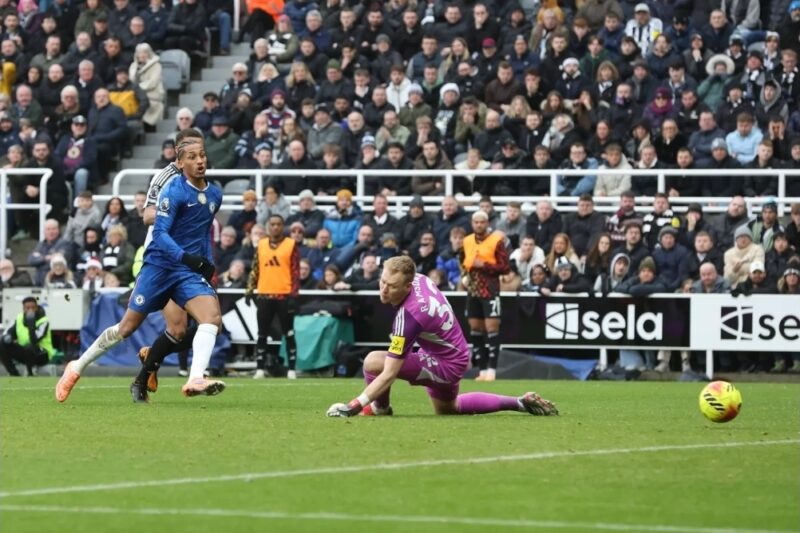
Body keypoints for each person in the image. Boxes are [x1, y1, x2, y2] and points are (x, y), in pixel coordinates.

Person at [56, 135, 225, 403]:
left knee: (210, 320)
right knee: (127, 328)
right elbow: (150, 219)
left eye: (202, 153)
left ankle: (193, 377)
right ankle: (77, 367)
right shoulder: (168, 182)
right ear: (179, 158)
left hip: (186, 267)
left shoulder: (214, 193)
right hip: (159, 262)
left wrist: (205, 261)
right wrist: (178, 232)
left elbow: (202, 229)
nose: (199, 160)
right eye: (192, 155)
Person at [326, 256, 558, 417]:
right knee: (448, 409)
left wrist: (354, 405)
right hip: (451, 353)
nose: (383, 289)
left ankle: (379, 410)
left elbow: (389, 374)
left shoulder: (410, 316)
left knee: (373, 362)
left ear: (407, 286)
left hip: (446, 363)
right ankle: (519, 402)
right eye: (382, 281)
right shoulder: (420, 279)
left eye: (391, 286)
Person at [246, 214, 300, 380]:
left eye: (278, 224)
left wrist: (294, 294)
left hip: (284, 295)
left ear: (283, 226)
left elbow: (295, 272)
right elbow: (255, 268)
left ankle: (291, 368)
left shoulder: (291, 245)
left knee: (288, 332)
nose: (275, 227)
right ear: (268, 226)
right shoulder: (261, 245)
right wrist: (249, 290)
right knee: (262, 333)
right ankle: (260, 368)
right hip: (264, 294)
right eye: (272, 224)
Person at [459, 211, 509, 382]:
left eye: (482, 222)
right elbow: (463, 261)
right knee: (475, 328)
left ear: (487, 223)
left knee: (492, 327)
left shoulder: (496, 241)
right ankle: (481, 370)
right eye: (476, 222)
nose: (479, 225)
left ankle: (492, 370)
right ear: (472, 223)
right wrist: (464, 275)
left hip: (490, 289)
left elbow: (505, 267)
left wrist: (485, 265)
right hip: (473, 290)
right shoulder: (466, 241)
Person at [0, 296, 53, 376]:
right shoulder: (19, 318)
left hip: (42, 354)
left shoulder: (43, 321)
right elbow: (11, 333)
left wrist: (31, 323)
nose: (30, 310)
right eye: (27, 308)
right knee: (2, 344)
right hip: (25, 352)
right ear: (23, 309)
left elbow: (34, 340)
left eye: (33, 307)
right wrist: (8, 337)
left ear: (37, 308)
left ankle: (30, 373)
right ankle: (13, 373)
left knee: (30, 347)